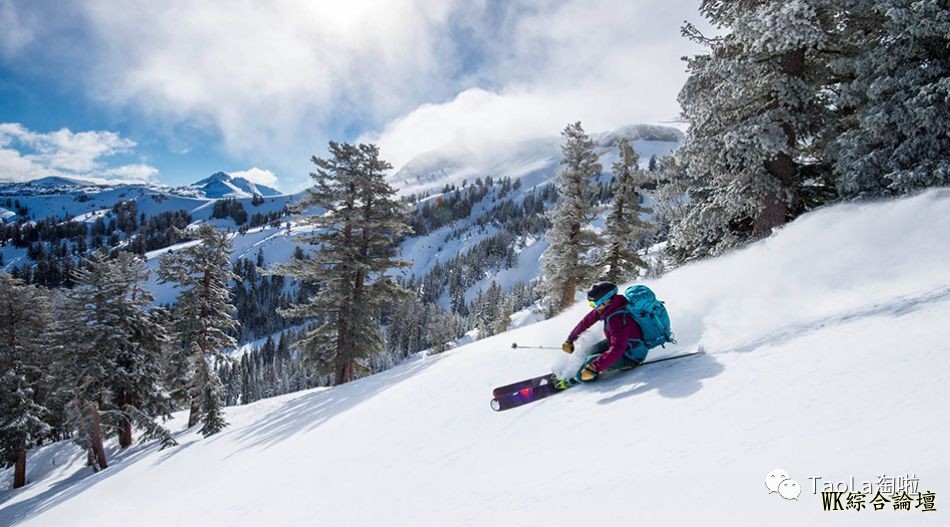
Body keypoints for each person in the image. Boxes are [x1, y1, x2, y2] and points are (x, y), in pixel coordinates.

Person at [562, 281, 646, 382]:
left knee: (589, 363)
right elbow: (585, 323)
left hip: (631, 355)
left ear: (606, 300)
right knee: (588, 351)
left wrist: (594, 367)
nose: (593, 307)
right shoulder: (605, 309)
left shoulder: (616, 319)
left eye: (594, 304)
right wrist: (570, 340)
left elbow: (618, 348)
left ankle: (572, 381)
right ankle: (576, 371)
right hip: (622, 344)